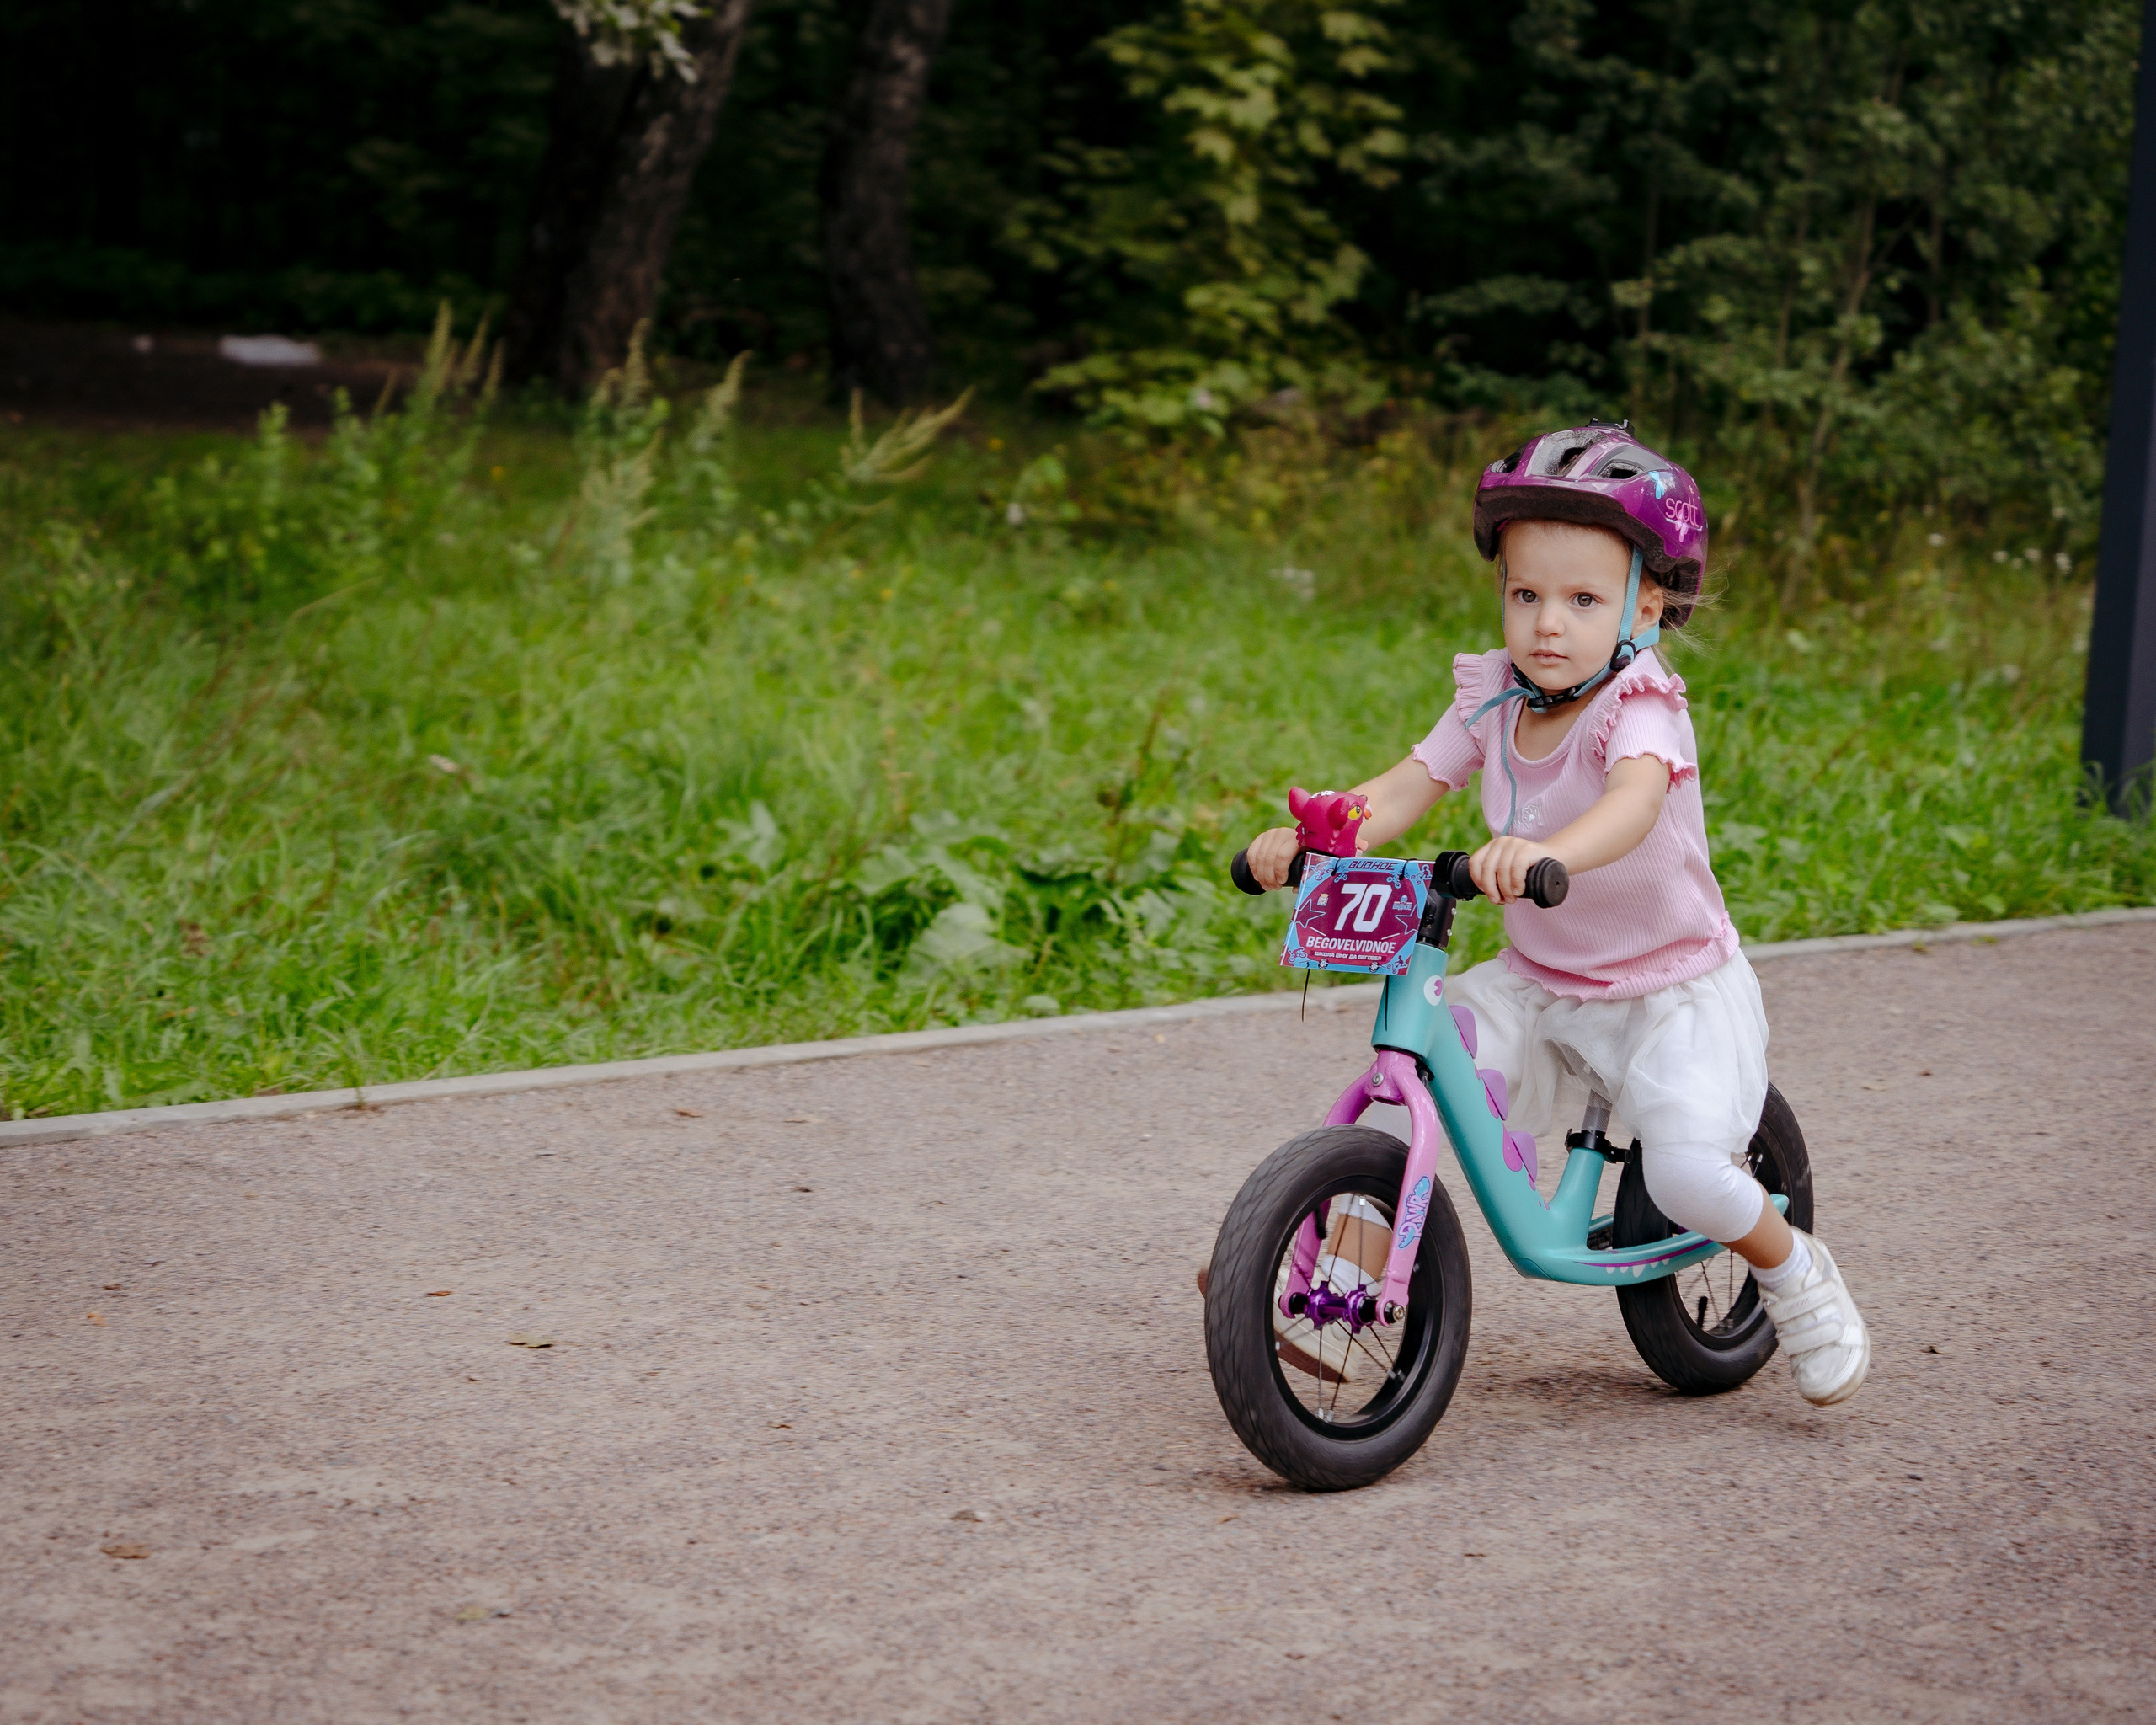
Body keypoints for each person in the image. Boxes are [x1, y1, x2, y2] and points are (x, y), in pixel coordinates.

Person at [1241, 421, 1870, 1407]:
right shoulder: (1492, 696)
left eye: (1580, 600)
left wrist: (1548, 852)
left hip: (1671, 987)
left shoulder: (1642, 704)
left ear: (1645, 605)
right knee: (1417, 1073)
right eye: (1525, 594)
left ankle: (1797, 1276)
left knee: (1688, 1174)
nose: (1545, 623)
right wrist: (1325, 834)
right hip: (1545, 983)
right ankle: (1339, 1286)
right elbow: (1409, 784)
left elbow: (1631, 805)